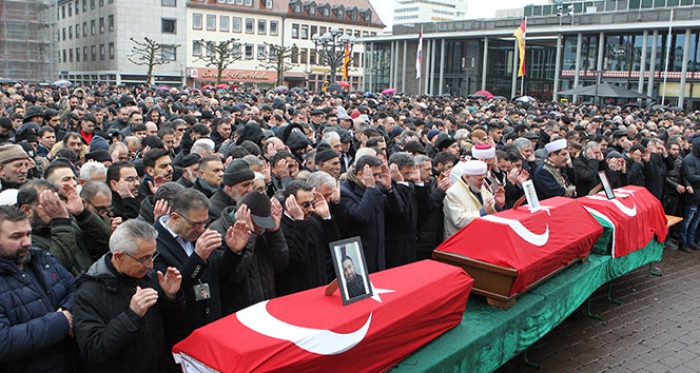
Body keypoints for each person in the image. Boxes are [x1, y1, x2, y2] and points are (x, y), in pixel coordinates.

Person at [72, 219, 185, 373]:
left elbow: (168, 325)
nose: (151, 265)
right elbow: (93, 350)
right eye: (144, 259)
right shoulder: (88, 294)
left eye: (153, 256)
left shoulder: (148, 276)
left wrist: (170, 297)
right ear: (118, 257)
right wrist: (132, 315)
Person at [154, 188, 250, 337]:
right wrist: (197, 258)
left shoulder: (198, 236)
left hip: (212, 327)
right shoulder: (155, 245)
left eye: (204, 223)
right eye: (195, 224)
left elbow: (219, 277)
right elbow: (172, 292)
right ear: (174, 218)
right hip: (183, 333)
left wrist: (233, 252)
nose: (201, 229)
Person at [0, 205, 78, 373]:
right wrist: (61, 322)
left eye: (28, 234)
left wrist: (68, 310)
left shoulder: (42, 258)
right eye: (16, 237)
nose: (26, 242)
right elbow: (4, 342)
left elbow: (75, 288)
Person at [443, 160, 505, 239]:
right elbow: (459, 220)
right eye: (480, 179)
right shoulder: (453, 193)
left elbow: (489, 205)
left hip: (481, 236)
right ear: (468, 177)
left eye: (483, 179)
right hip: (460, 242)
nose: (483, 182)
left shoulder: (479, 187)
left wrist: (498, 204)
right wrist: (482, 212)